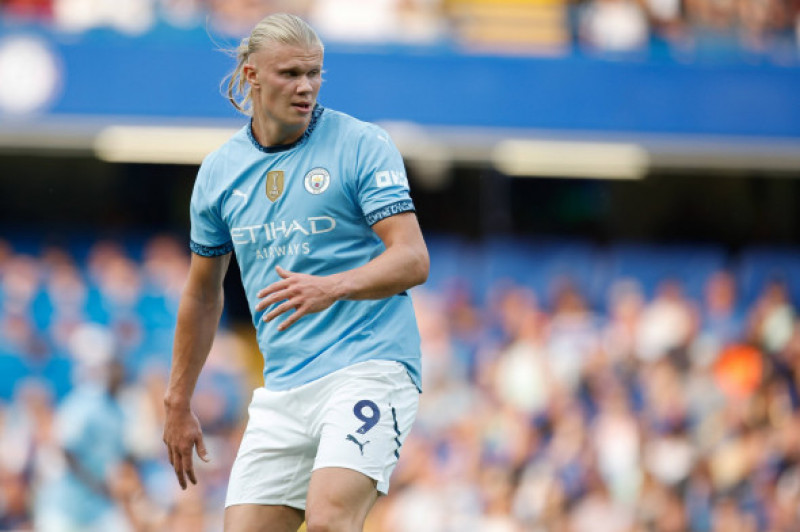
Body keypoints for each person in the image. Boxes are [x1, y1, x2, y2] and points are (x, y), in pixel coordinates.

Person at [161, 12, 429, 532]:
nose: (305, 87)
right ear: (251, 75)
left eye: (314, 73)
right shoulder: (219, 172)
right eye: (289, 74)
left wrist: (333, 286)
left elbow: (412, 258)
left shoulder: (361, 144)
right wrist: (178, 399)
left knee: (330, 520)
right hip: (284, 386)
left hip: (368, 366)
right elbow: (201, 295)